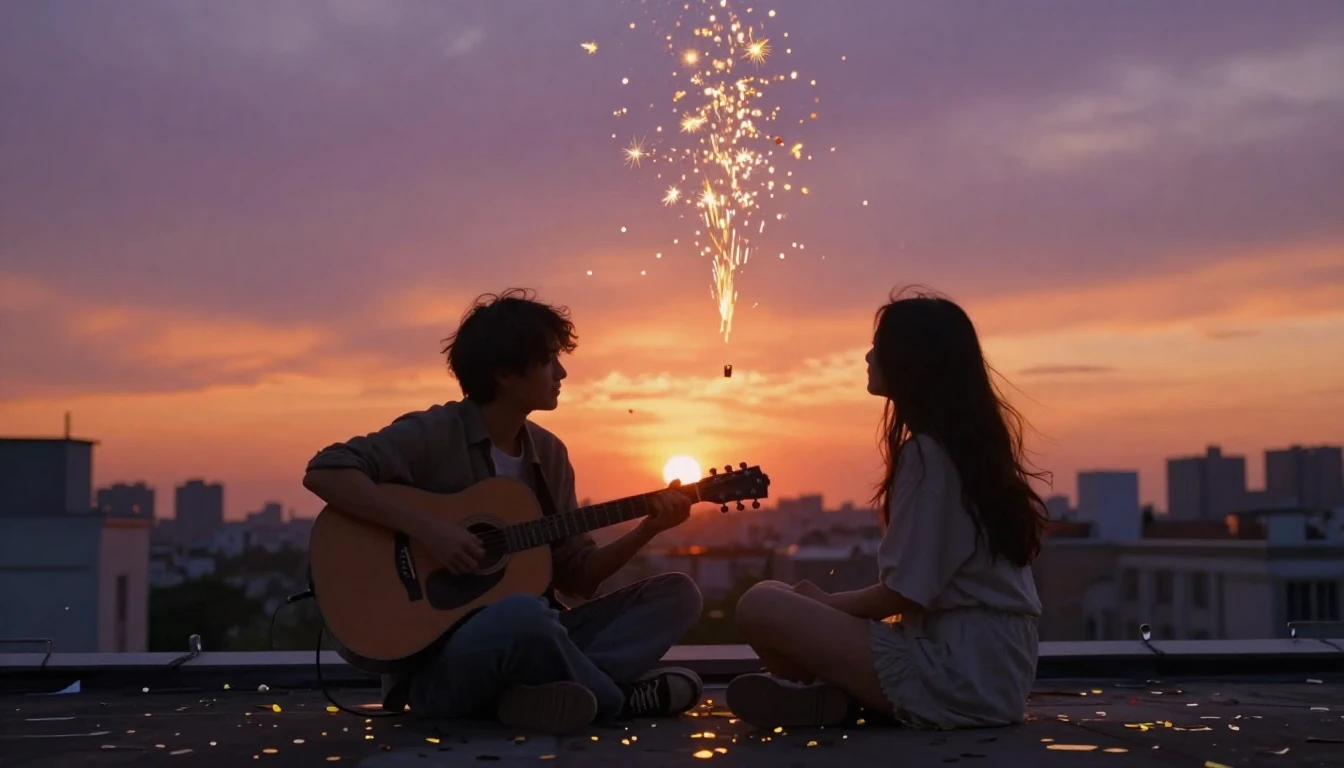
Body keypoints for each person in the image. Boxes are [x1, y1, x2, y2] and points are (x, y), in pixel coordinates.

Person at [302, 289, 706, 734]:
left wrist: (649, 528)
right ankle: (616, 700)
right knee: (524, 615)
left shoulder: (549, 454)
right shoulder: (435, 432)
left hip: (537, 636)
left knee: (677, 594)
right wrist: (430, 530)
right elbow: (326, 471)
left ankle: (531, 696)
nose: (562, 373)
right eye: (549, 360)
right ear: (506, 374)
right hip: (441, 668)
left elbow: (579, 577)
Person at [726, 288, 1049, 730]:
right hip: (994, 670)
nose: (867, 357)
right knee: (780, 595)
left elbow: (902, 594)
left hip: (957, 673)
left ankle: (831, 694)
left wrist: (826, 603)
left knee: (759, 603)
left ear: (910, 362)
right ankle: (833, 699)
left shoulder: (930, 455)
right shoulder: (969, 453)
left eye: (878, 347)